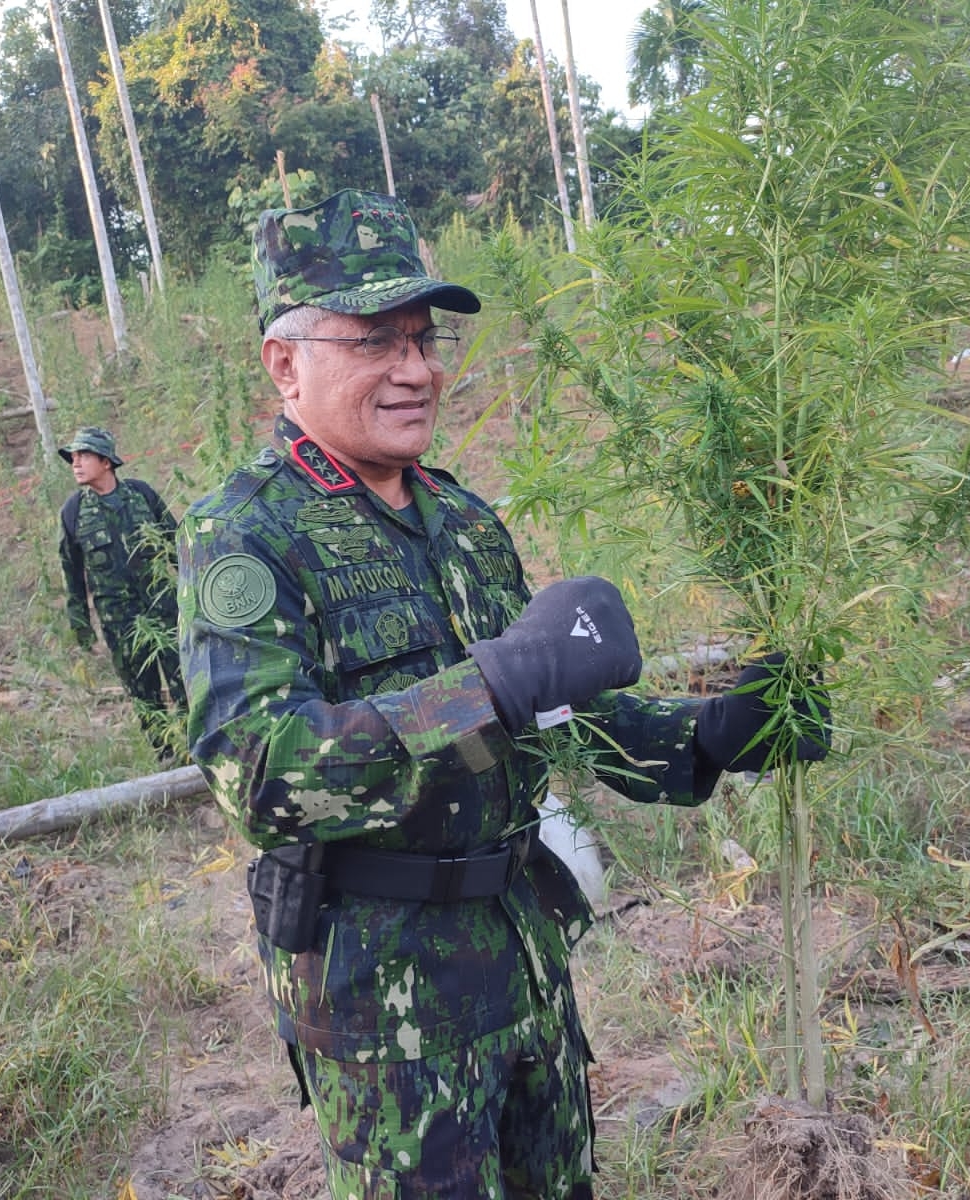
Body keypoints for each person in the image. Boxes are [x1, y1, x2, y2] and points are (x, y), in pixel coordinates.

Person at [178, 188, 829, 1199]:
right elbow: (259, 775)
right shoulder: (247, 534)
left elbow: (552, 722)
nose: (415, 369)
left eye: (422, 338)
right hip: (383, 1000)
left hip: (520, 950)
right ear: (284, 362)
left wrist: (706, 738)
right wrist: (487, 683)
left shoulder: (462, 520)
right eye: (372, 342)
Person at [57, 425, 185, 761]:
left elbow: (176, 547)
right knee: (142, 693)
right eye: (73, 456)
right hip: (121, 624)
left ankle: (194, 750)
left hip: (165, 610)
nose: (75, 462)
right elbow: (72, 573)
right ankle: (166, 757)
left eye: (83, 455)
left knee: (184, 683)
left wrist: (194, 595)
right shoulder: (73, 512)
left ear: (106, 462)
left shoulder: (142, 495)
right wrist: (81, 625)